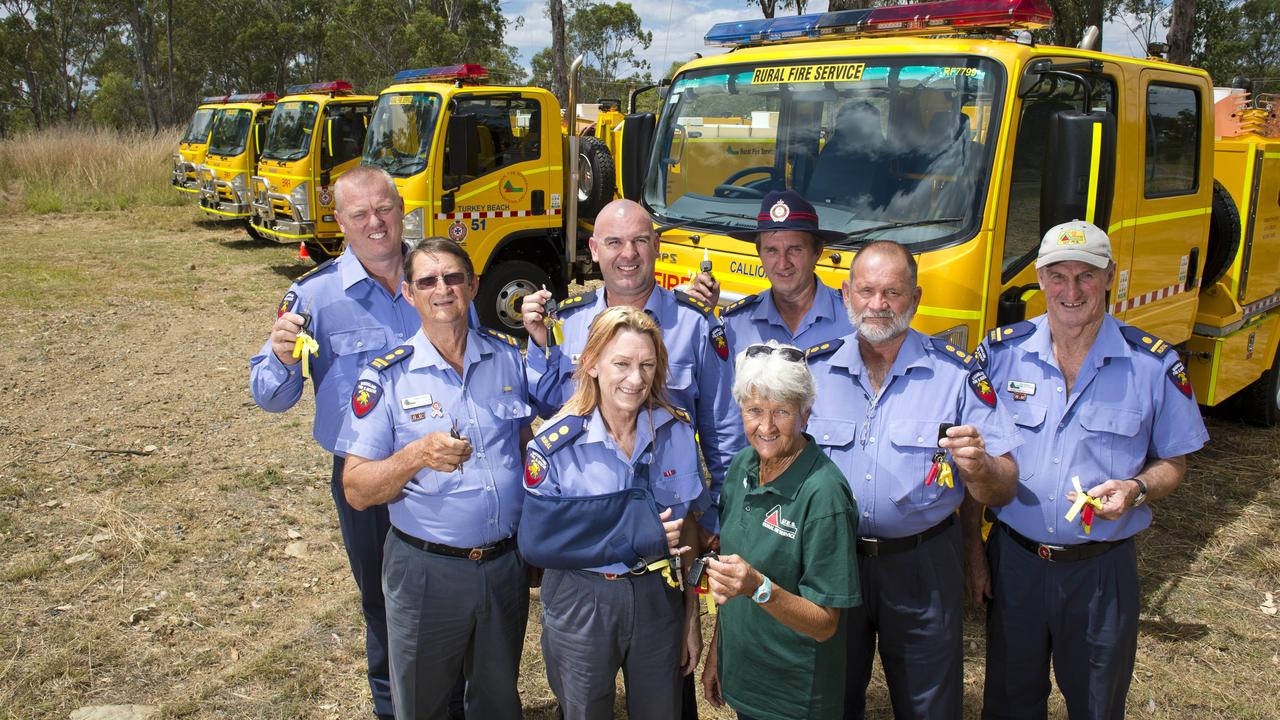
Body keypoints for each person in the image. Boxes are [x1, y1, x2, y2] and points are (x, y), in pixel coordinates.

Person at [968, 220, 1208, 720]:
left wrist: (1137, 488)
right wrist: (973, 550)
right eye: (1058, 276)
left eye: (1086, 276)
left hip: (1102, 572)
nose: (1071, 290)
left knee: (1097, 705)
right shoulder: (999, 354)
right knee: (1009, 703)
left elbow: (1174, 462)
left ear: (1110, 278)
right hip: (1016, 564)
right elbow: (976, 462)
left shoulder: (1152, 365)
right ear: (1039, 279)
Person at [804, 240, 1022, 720]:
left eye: (893, 292)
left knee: (930, 703)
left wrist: (982, 469)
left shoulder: (958, 376)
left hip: (923, 563)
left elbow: (1005, 484)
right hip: (831, 562)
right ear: (845, 295)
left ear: (916, 298)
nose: (878, 305)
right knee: (829, 698)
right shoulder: (809, 375)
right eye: (866, 291)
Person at [337, 237, 533, 720]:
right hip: (427, 571)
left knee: (497, 701)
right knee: (422, 703)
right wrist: (416, 454)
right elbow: (356, 488)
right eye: (427, 280)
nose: (441, 288)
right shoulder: (386, 377)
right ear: (409, 293)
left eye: (452, 277)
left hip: (504, 567)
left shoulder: (510, 357)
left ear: (473, 285)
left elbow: (528, 447)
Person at [248, 165, 418, 720]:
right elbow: (272, 399)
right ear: (340, 221)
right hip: (364, 478)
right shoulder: (314, 297)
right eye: (360, 213)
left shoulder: (438, 276)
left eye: (385, 208)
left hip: (446, 467)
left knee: (454, 601)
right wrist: (277, 356)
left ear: (401, 207)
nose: (376, 222)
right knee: (383, 607)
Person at [518, 306, 704, 720]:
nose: (635, 379)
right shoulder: (553, 446)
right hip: (582, 598)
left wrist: (691, 617)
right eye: (621, 363)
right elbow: (537, 543)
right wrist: (635, 529)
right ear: (592, 363)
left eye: (646, 365)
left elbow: (687, 526)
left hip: (659, 594)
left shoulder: (675, 432)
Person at [521, 198, 738, 534]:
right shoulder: (569, 321)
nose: (628, 254)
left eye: (639, 240)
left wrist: (723, 521)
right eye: (614, 243)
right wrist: (538, 344)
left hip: (671, 510)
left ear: (656, 245)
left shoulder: (694, 323)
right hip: (591, 511)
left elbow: (722, 430)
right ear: (593, 249)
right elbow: (551, 407)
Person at [701, 341, 861, 720]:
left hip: (794, 697)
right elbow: (731, 574)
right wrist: (717, 654)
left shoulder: (824, 494)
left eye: (782, 412)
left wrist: (758, 586)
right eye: (755, 410)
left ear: (805, 415)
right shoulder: (741, 467)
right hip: (745, 677)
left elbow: (824, 624)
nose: (766, 426)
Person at [688, 189, 852, 352]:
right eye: (772, 251)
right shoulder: (735, 324)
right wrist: (702, 318)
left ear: (817, 252)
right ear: (760, 254)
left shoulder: (854, 319)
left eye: (794, 250)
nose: (783, 264)